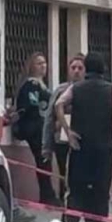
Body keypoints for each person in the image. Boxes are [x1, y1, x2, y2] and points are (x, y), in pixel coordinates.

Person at [55, 52, 112, 222]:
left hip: (80, 146)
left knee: (76, 188)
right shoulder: (111, 89)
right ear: (103, 69)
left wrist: (68, 131)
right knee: (100, 190)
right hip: (103, 148)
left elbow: (58, 104)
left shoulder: (76, 88)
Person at [14, 52, 60, 206]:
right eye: (38, 63)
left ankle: (48, 194)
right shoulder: (31, 85)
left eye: (44, 62)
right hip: (35, 129)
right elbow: (30, 107)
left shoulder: (41, 84)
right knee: (43, 161)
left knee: (45, 162)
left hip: (42, 128)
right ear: (31, 66)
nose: (43, 66)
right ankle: (47, 195)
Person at [42, 54, 86, 202]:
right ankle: (65, 206)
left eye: (80, 68)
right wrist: (46, 147)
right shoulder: (61, 90)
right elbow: (49, 117)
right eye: (73, 68)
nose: (76, 71)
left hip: (83, 140)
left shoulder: (89, 91)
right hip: (61, 140)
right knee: (64, 175)